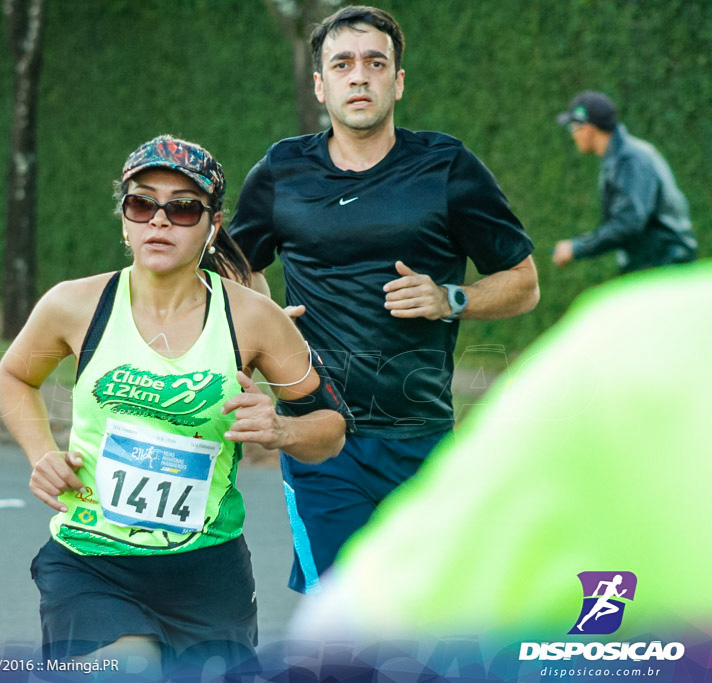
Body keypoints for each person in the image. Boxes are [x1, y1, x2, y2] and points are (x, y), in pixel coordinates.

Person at [0, 134, 350, 680]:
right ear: (124, 221)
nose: (159, 221)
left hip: (208, 570)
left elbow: (331, 429)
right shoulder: (74, 304)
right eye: (141, 204)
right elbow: (16, 375)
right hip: (93, 560)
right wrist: (41, 453)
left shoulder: (253, 318)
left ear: (212, 225)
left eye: (183, 208)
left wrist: (279, 429)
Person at [227, 5, 539, 595]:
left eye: (376, 62)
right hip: (319, 434)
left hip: (419, 434)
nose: (359, 75)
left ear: (397, 81)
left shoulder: (446, 167)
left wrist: (451, 297)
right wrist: (264, 321)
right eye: (341, 64)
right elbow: (230, 268)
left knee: (426, 612)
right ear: (320, 85)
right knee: (341, 616)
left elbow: (523, 282)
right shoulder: (281, 171)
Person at [289, 261, 712, 674]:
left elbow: (342, 630)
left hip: (419, 443)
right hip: (341, 453)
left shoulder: (635, 339)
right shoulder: (637, 341)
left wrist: (449, 298)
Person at [552, 90, 698, 273]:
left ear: (588, 130)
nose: (573, 135)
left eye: (573, 127)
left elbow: (628, 223)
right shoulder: (622, 157)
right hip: (657, 264)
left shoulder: (629, 160)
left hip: (664, 268)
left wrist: (577, 247)